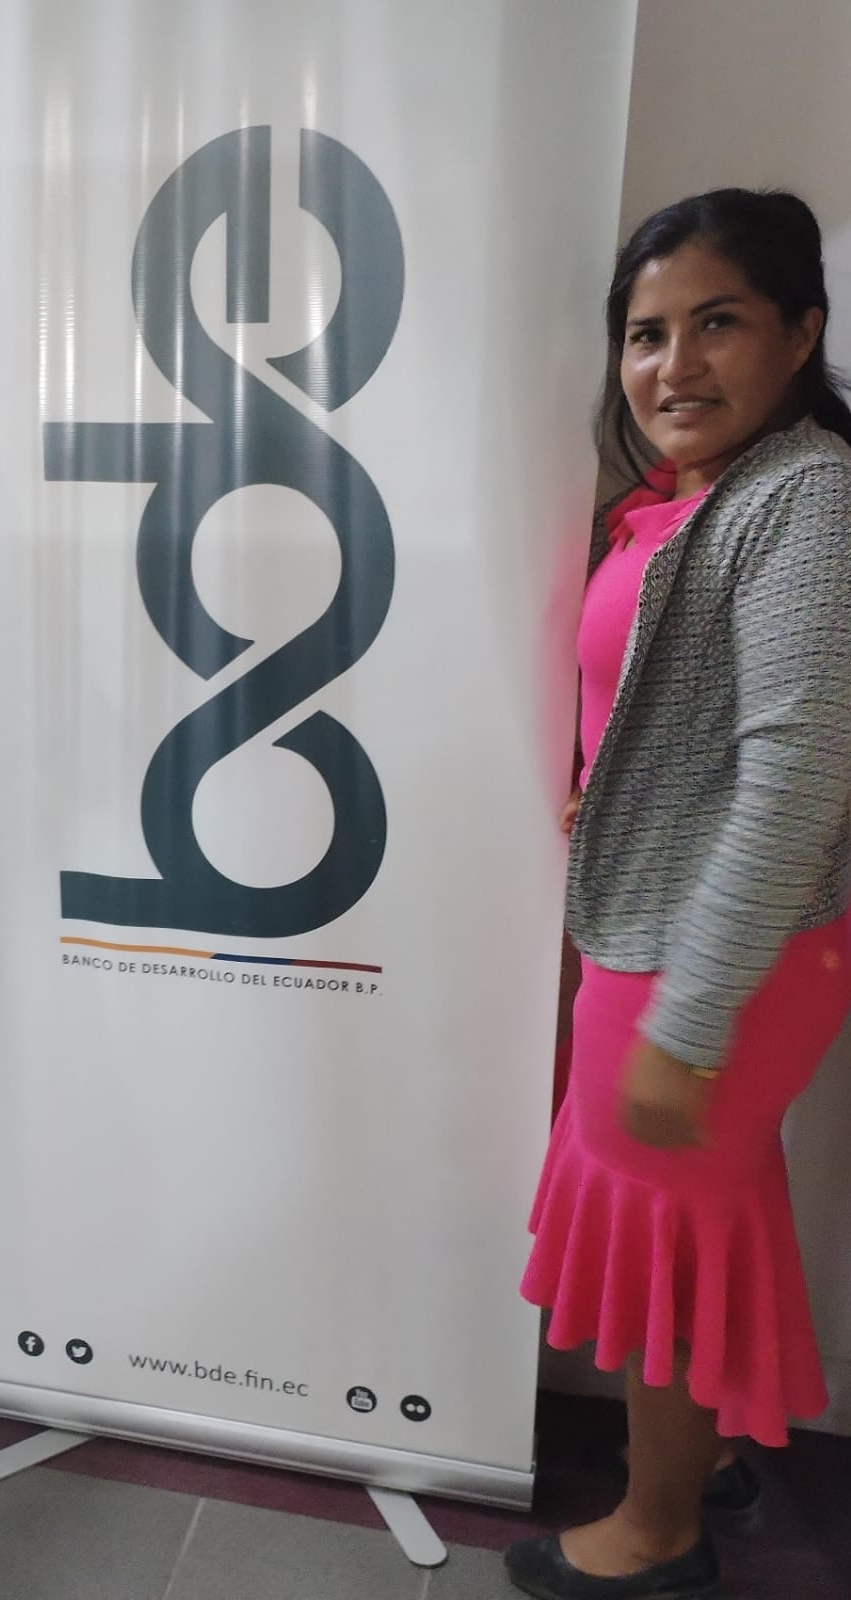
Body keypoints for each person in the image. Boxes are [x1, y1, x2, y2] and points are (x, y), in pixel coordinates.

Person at [505, 190, 851, 1600]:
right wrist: (611, 790)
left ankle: (658, 1534)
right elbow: (674, 715)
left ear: (802, 333)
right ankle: (694, 1464)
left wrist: (692, 1022)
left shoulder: (805, 500)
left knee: (668, 1230)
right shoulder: (705, 496)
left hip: (718, 957)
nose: (674, 365)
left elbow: (796, 780)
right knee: (689, 1220)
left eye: (719, 323)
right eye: (646, 334)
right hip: (668, 927)